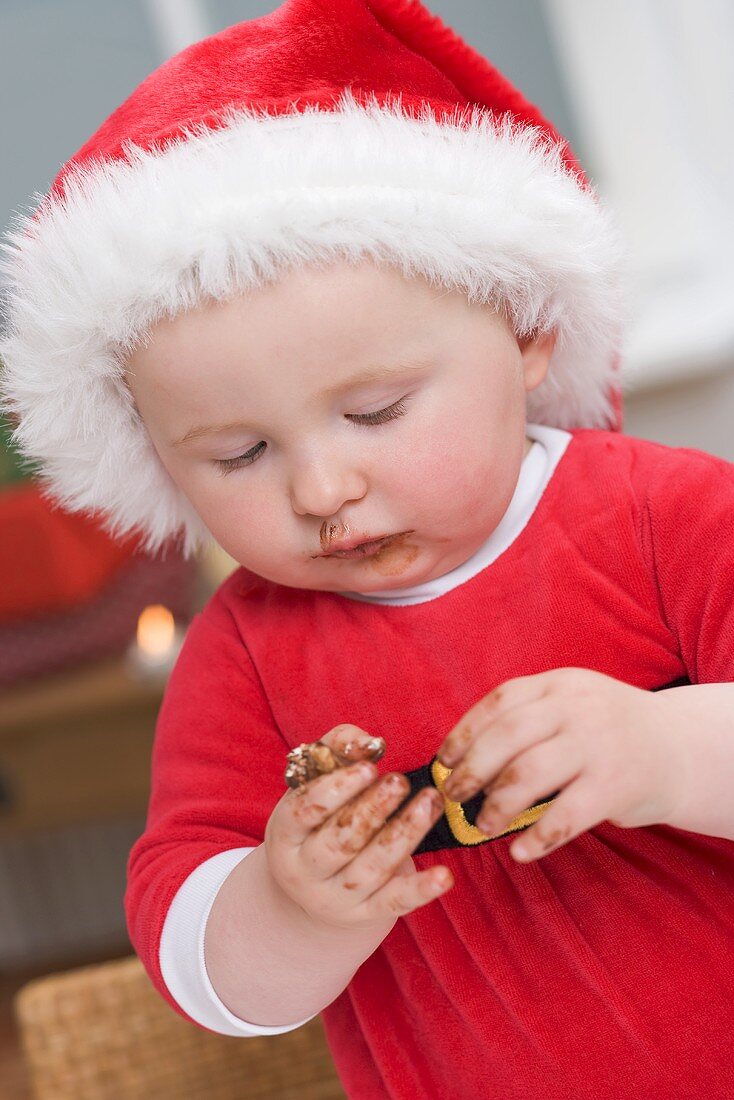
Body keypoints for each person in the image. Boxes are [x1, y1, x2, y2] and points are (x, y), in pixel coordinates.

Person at [2, 1, 733, 1096]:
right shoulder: (244, 655)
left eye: (377, 410)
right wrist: (286, 904)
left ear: (525, 331)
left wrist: (661, 746)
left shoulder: (660, 517)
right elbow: (195, 955)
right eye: (238, 452)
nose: (320, 487)